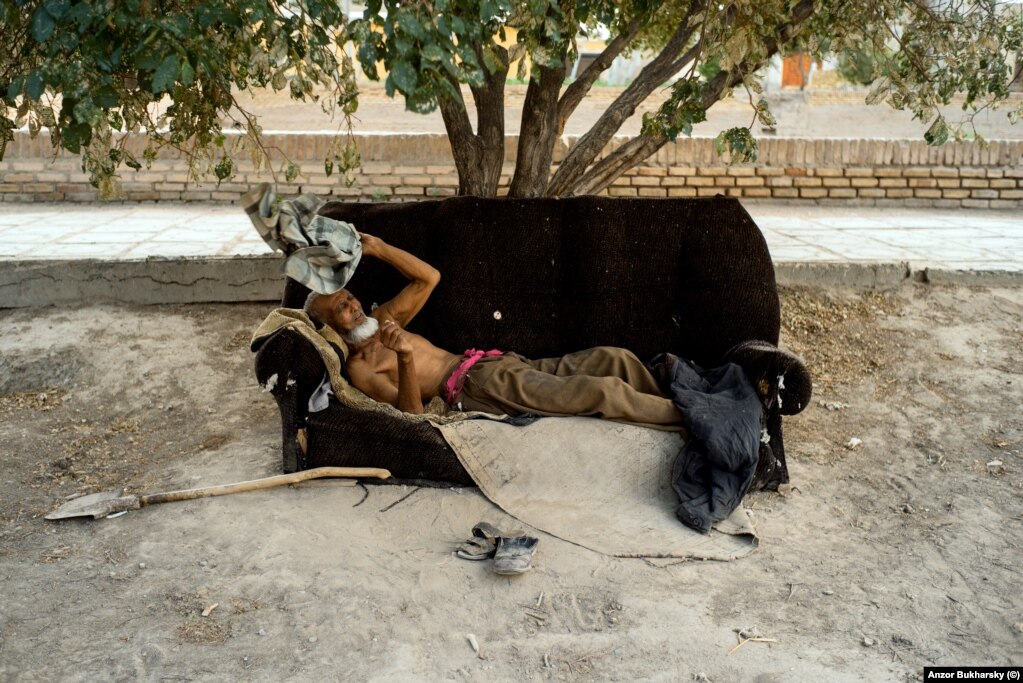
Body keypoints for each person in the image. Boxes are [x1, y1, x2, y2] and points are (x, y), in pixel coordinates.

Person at [304, 233, 684, 429]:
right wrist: (404, 357)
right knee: (600, 390)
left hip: (495, 365)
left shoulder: (383, 318)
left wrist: (381, 248)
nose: (354, 306)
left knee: (612, 358)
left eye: (351, 297)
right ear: (329, 328)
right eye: (342, 307)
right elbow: (411, 415)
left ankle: (678, 403)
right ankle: (691, 420)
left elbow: (429, 278)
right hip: (475, 388)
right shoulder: (360, 369)